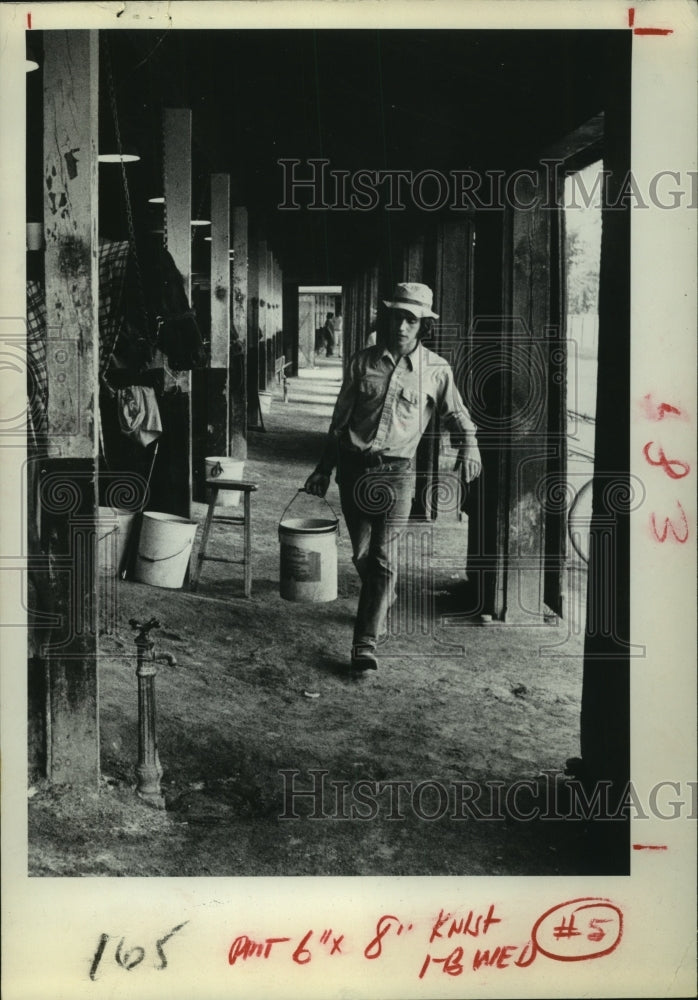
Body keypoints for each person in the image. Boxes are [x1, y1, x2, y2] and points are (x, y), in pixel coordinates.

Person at [304, 282, 481, 672]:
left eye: (410, 319)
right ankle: (383, 595)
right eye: (396, 317)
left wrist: (470, 445)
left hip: (398, 475)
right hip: (354, 471)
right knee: (363, 554)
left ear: (423, 326)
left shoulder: (436, 370)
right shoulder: (360, 363)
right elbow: (339, 423)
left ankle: (364, 644)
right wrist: (323, 469)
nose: (401, 326)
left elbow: (457, 414)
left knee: (384, 557)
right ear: (386, 319)